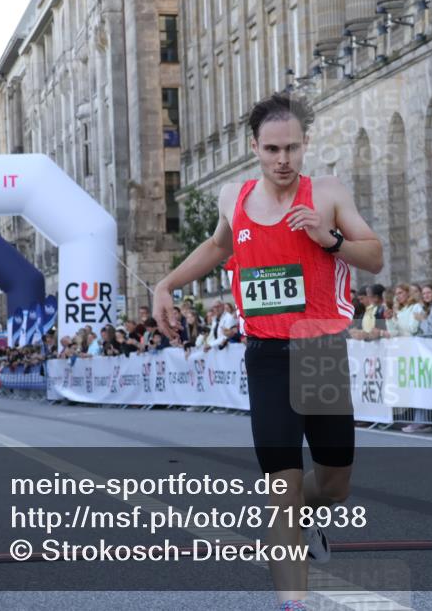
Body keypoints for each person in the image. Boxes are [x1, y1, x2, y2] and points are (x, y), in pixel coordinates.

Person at [153, 92, 382, 610]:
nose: (283, 160)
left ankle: (308, 514)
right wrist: (164, 285)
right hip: (267, 354)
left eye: (293, 149)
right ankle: (293, 603)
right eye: (273, 149)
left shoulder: (326, 193)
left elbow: (375, 257)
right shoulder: (233, 196)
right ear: (254, 147)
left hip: (320, 350)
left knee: (335, 485)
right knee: (282, 490)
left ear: (305, 146)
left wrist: (330, 240)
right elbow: (217, 246)